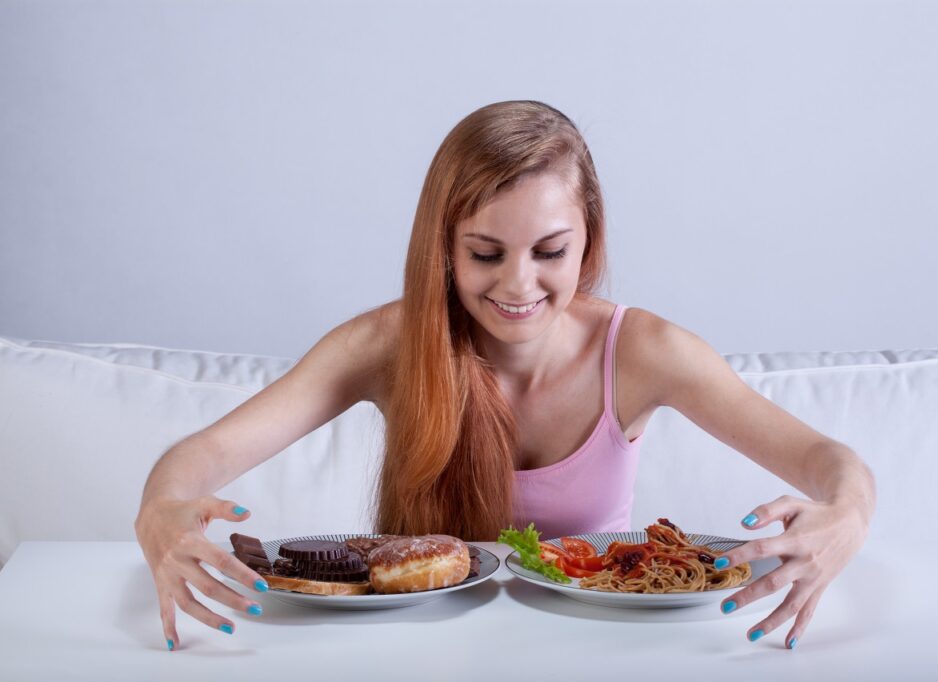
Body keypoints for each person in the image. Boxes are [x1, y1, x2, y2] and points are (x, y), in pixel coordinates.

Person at [135, 100, 876, 652]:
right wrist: (162, 512)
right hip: (416, 653)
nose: (519, 285)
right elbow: (201, 456)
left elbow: (828, 462)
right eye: (486, 253)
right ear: (445, 250)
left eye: (549, 250)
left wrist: (845, 516)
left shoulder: (644, 351)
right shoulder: (383, 344)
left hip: (599, 652)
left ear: (588, 239)